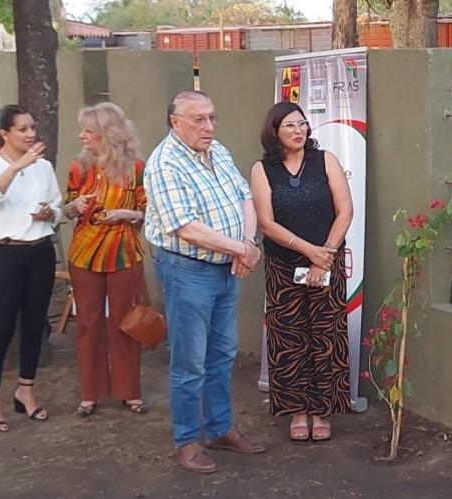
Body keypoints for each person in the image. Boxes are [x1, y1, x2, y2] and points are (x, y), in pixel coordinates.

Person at [144, 90, 265, 473]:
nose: (208, 126)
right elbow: (185, 227)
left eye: (211, 117)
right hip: (187, 271)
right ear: (174, 122)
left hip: (225, 267)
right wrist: (241, 250)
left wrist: (245, 244)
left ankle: (219, 428)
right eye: (198, 120)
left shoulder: (219, 151)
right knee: (190, 362)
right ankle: (187, 440)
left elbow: (245, 198)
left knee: (222, 354)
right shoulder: (164, 164)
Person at [251, 102, 353, 443]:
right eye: (290, 126)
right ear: (274, 133)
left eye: (302, 124)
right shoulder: (263, 170)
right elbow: (266, 222)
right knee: (290, 338)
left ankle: (322, 410)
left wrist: (322, 257)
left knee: (326, 336)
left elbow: (345, 210)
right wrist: (307, 251)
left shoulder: (325, 161)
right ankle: (298, 410)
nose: (299, 131)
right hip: (283, 268)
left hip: (326, 263)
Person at [0, 105, 63, 432]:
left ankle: (26, 391)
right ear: (4, 133)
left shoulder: (43, 167)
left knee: (35, 323)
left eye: (32, 128)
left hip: (38, 251)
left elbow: (56, 203)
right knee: (1, 326)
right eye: (23, 129)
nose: (31, 134)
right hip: (2, 254)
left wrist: (48, 213)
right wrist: (16, 167)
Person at [62, 102, 148, 418]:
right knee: (88, 322)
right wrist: (76, 206)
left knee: (125, 322)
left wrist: (128, 214)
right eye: (82, 129)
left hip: (124, 252)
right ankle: (90, 392)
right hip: (84, 254)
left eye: (89, 130)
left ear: (108, 133)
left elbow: (149, 211)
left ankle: (129, 391)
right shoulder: (79, 168)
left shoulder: (135, 168)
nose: (82, 135)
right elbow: (67, 208)